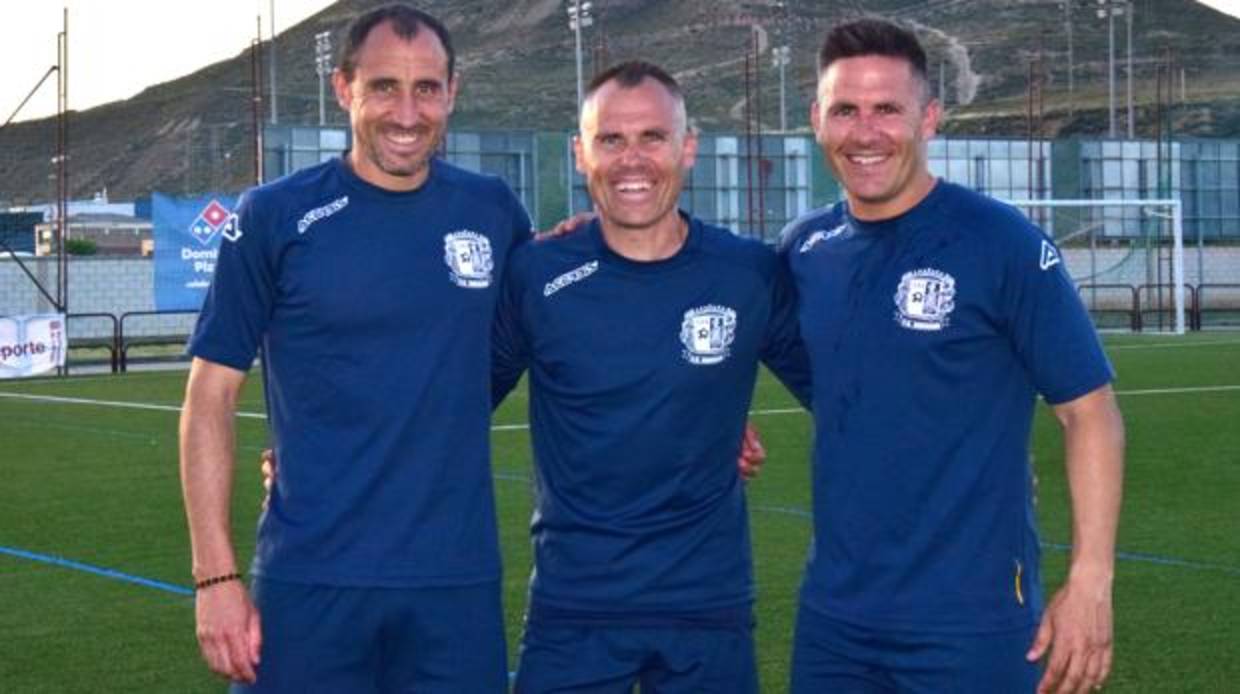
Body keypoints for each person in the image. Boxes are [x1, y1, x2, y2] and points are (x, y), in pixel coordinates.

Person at [178, 5, 530, 691]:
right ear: (343, 88)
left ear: (452, 92)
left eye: (426, 88)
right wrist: (215, 575)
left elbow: (572, 326)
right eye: (383, 87)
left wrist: (699, 428)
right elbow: (209, 396)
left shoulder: (491, 210)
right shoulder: (275, 216)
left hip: (454, 582)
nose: (407, 112)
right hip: (312, 575)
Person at [779, 18, 1125, 694]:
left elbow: (1091, 415)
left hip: (972, 618)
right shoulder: (802, 249)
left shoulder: (1000, 242)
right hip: (833, 621)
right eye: (845, 109)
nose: (865, 131)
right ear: (818, 119)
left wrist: (1090, 581)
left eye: (888, 110)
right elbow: (717, 315)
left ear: (929, 119)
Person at [490, 61, 811, 693]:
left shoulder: (749, 273)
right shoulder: (537, 275)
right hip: (574, 605)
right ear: (582, 154)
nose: (631, 160)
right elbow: (446, 402)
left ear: (687, 148)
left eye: (653, 138)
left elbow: (856, 393)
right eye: (611, 140)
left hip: (708, 606)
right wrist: (320, 452)